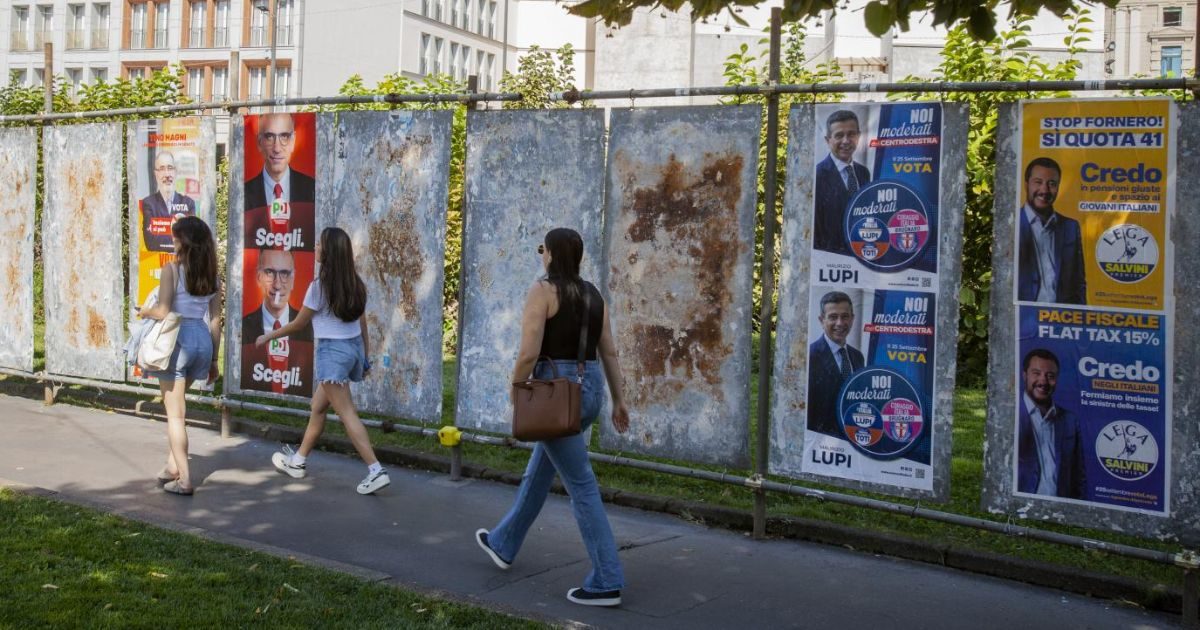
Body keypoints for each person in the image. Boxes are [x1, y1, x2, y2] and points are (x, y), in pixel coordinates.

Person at [475, 227, 630, 607]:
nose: (540, 254)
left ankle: (607, 579)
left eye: (542, 248)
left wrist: (518, 388)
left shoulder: (543, 291)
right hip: (588, 390)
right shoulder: (594, 295)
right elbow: (608, 353)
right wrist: (618, 401)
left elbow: (529, 352)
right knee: (542, 468)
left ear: (551, 254)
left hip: (555, 393)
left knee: (581, 485)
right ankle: (503, 542)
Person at [258, 227, 389, 495]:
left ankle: (376, 470)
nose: (315, 248)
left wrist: (269, 335)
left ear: (328, 253)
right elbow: (362, 323)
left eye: (319, 245)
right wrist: (364, 356)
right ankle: (298, 461)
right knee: (318, 407)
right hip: (352, 350)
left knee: (347, 413)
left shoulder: (318, 288)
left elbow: (298, 324)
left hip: (332, 354)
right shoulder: (356, 284)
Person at [138, 216, 222, 496]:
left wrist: (144, 311)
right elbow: (215, 320)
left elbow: (162, 311)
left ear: (183, 243)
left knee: (175, 415)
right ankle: (172, 466)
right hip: (201, 338)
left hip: (177, 339)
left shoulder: (171, 270)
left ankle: (185, 480)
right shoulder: (212, 276)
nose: (172, 242)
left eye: (175, 238)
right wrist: (213, 360)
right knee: (180, 408)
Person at [240, 248, 314, 395]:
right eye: (269, 272)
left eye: (285, 273)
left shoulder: (308, 327)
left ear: (293, 280)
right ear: (258, 277)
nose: (277, 284)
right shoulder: (243, 326)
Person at [1016, 348, 1086, 499]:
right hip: (1022, 507)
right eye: (1036, 373)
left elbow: (1078, 475)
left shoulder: (1069, 420)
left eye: (1050, 376)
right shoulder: (1010, 414)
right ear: (1024, 376)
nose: (1043, 381)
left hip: (1060, 511)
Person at [1017, 157, 1087, 304]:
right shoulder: (1013, 223)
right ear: (1026, 185)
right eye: (1038, 182)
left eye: (1052, 184)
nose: (1044, 190)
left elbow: (1078, 282)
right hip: (1024, 317)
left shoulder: (1071, 227)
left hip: (1060, 318)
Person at [244, 113, 316, 250]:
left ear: (293, 141)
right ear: (259, 143)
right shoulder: (244, 193)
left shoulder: (311, 189)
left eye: (284, 136)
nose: (277, 148)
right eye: (269, 137)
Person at [807, 291, 865, 437]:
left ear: (852, 319)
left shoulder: (857, 356)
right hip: (822, 444)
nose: (840, 323)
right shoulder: (810, 356)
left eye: (845, 317)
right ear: (822, 320)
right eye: (833, 317)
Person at [814, 110, 871, 256]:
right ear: (828, 140)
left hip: (861, 255)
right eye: (839, 135)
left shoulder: (864, 172)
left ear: (858, 137)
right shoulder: (817, 175)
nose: (846, 141)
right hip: (830, 261)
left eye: (851, 134)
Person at [140, 151, 197, 253]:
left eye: (170, 168)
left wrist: (162, 238)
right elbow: (151, 242)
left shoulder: (189, 204)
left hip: (183, 265)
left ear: (175, 172)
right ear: (156, 174)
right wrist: (179, 240)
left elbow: (190, 240)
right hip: (155, 265)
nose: (167, 174)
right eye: (162, 169)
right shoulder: (148, 203)